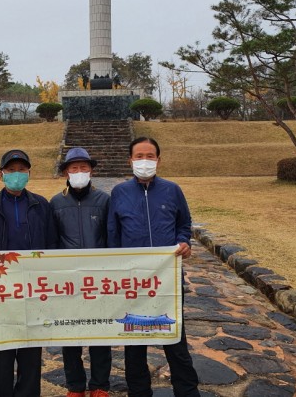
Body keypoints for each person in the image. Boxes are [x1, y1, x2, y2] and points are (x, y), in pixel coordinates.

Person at [107, 137, 200, 397]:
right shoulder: (119, 193)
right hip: (133, 280)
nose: (144, 161)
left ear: (158, 159)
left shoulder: (172, 190)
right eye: (139, 156)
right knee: (134, 342)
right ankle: (139, 392)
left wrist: (184, 242)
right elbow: (113, 233)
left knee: (174, 338)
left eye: (150, 156)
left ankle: (187, 391)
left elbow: (184, 223)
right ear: (130, 160)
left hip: (166, 278)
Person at [0, 149, 58, 397]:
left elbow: (51, 244)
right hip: (0, 288)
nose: (17, 175)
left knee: (31, 347)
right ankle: (1, 392)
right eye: (11, 170)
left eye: (22, 170)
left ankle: (28, 392)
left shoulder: (41, 205)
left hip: (33, 287)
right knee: (2, 347)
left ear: (29, 173)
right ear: (1, 174)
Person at [50, 147, 112, 397]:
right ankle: (75, 386)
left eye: (83, 167)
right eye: (73, 168)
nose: (79, 172)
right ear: (66, 172)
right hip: (68, 279)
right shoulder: (56, 202)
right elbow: (52, 241)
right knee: (70, 333)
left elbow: (111, 237)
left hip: (98, 278)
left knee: (100, 332)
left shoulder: (104, 200)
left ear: (91, 171)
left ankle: (100, 385)